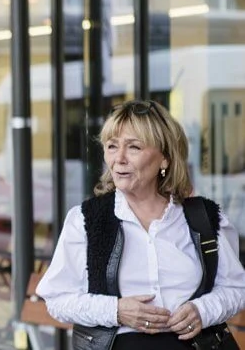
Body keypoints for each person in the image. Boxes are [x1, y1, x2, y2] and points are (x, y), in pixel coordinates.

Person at [37, 99, 245, 349]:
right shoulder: (84, 220)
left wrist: (203, 310)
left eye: (134, 147)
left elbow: (236, 287)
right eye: (112, 146)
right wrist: (116, 311)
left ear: (165, 159)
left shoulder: (205, 218)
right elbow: (57, 299)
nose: (119, 158)